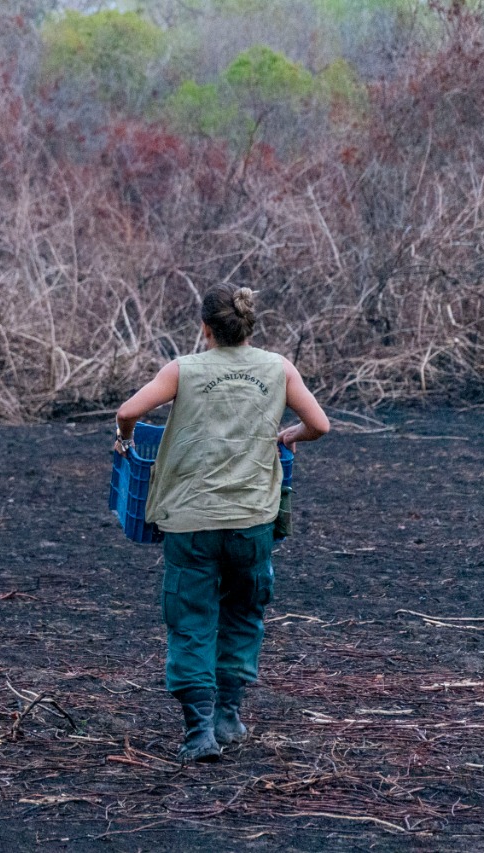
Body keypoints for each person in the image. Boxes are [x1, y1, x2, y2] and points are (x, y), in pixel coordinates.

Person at [113, 284, 329, 762]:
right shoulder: (278, 367)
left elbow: (129, 410)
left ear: (205, 328)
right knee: (243, 614)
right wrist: (288, 434)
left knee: (191, 621)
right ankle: (229, 715)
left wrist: (124, 438)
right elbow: (320, 424)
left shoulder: (183, 369)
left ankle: (198, 733)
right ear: (249, 326)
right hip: (253, 520)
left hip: (189, 522)